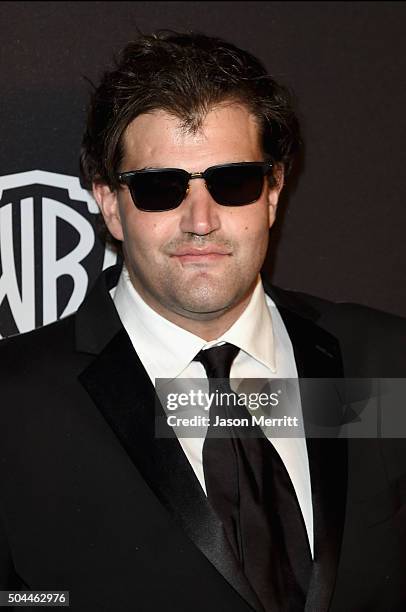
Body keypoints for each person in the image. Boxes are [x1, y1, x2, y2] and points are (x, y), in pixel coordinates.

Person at [0, 30, 405, 612]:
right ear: (110, 203)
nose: (201, 220)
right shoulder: (15, 403)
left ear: (272, 191)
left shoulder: (386, 361)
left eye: (233, 181)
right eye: (160, 188)